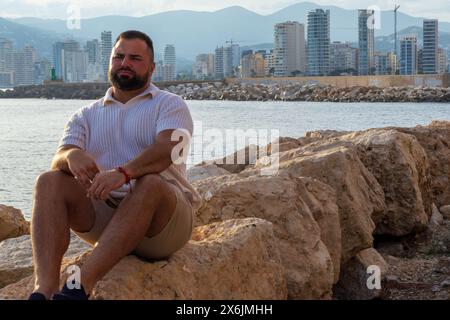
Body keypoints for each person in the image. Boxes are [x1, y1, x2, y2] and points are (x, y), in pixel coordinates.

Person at [28, 30, 201, 300]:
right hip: (106, 223)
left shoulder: (169, 104)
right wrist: (71, 156)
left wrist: (124, 173)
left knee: (151, 183)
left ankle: (79, 288)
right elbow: (58, 159)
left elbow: (169, 149)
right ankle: (44, 291)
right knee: (48, 181)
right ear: (109, 62)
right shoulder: (86, 115)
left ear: (152, 68)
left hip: (162, 225)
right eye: (118, 56)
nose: (125, 63)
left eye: (135, 58)